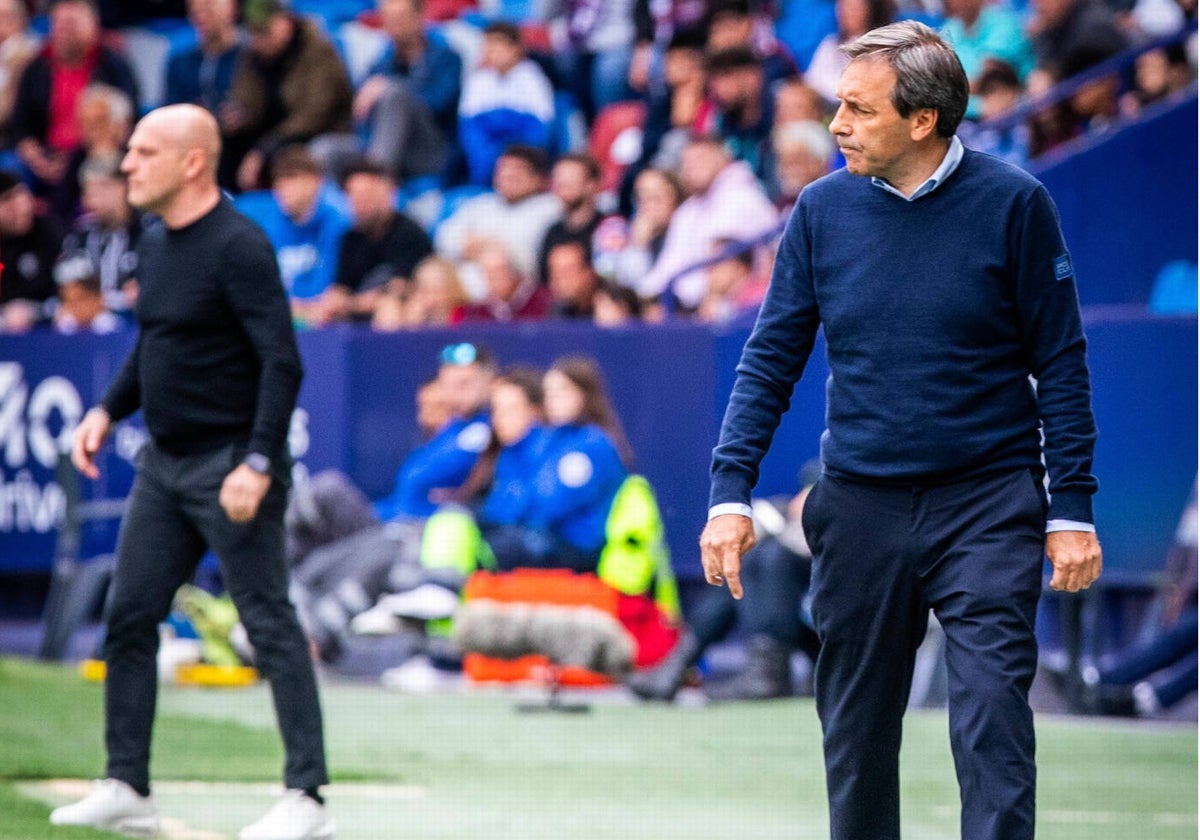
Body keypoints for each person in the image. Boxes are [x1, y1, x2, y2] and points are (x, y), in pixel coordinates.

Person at [699, 22, 1101, 840]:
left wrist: (1073, 510)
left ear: (923, 121)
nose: (836, 125)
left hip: (988, 504)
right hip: (858, 508)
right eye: (837, 106)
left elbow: (1061, 363)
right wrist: (728, 491)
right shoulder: (820, 210)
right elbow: (771, 358)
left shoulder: (1017, 204)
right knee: (856, 738)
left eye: (857, 109)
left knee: (992, 722)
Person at [53, 104, 333, 840]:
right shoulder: (155, 240)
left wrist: (259, 463)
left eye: (145, 151)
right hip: (164, 465)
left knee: (269, 622)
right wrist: (107, 411)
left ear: (192, 163)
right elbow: (155, 344)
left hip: (232, 465)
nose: (128, 164)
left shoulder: (240, 247)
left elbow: (283, 360)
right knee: (128, 615)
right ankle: (127, 784)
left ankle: (307, 799)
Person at [220, 0, 354, 192]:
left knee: (298, 152)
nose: (259, 39)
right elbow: (247, 104)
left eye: (265, 31)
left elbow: (315, 114)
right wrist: (237, 118)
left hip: (314, 134)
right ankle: (231, 206)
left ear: (286, 21)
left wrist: (265, 148)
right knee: (226, 142)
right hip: (271, 136)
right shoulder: (254, 56)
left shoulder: (318, 51)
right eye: (254, 32)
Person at [636, 133, 778, 312]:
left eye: (700, 159)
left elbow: (729, 272)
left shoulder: (743, 198)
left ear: (722, 158)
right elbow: (668, 266)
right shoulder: (687, 210)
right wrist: (642, 299)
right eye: (686, 162)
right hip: (684, 306)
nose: (691, 168)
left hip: (737, 307)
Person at [304, 156, 430, 326]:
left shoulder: (409, 233)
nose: (360, 203)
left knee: (389, 308)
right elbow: (341, 287)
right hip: (356, 315)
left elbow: (400, 288)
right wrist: (333, 301)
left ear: (387, 193)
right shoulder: (350, 238)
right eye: (354, 196)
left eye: (366, 195)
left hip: (404, 315)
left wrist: (351, 303)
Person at [355, 0, 463, 184]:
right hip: (384, 148)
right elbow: (362, 115)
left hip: (430, 151)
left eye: (400, 17)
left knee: (395, 94)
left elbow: (439, 104)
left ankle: (375, 183)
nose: (394, 25)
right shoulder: (379, 65)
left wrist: (392, 85)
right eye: (388, 18)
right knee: (327, 149)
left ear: (420, 16)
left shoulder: (447, 58)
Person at [434, 144, 562, 280]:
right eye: (503, 168)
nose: (508, 174)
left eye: (518, 169)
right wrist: (471, 245)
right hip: (466, 285)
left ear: (539, 179)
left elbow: (529, 254)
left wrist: (488, 247)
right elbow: (443, 236)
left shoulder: (551, 207)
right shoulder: (482, 203)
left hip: (520, 287)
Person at [256, 145, 350, 318]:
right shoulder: (274, 224)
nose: (282, 189)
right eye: (278, 181)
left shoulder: (338, 223)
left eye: (291, 179)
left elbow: (327, 289)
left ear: (315, 181)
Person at [457, 21, 555, 186]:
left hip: (522, 145)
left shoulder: (532, 77)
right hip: (487, 153)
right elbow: (470, 127)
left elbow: (540, 127)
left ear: (516, 49)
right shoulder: (477, 80)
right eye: (488, 46)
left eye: (498, 45)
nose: (492, 52)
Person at [61, 154, 142, 316]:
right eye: (86, 193)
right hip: (89, 326)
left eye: (96, 192)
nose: (88, 201)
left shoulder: (147, 231)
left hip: (133, 322)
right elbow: (66, 284)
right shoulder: (79, 236)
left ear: (121, 187)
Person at [0, 169, 63, 332]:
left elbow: (69, 293)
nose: (18, 207)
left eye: (21, 195)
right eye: (7, 200)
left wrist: (35, 312)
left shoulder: (53, 233)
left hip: (50, 324)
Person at [163, 0, 242, 114]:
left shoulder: (251, 58)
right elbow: (169, 112)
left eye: (208, 5)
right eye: (194, 8)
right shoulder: (180, 63)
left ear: (231, 6)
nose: (200, 15)